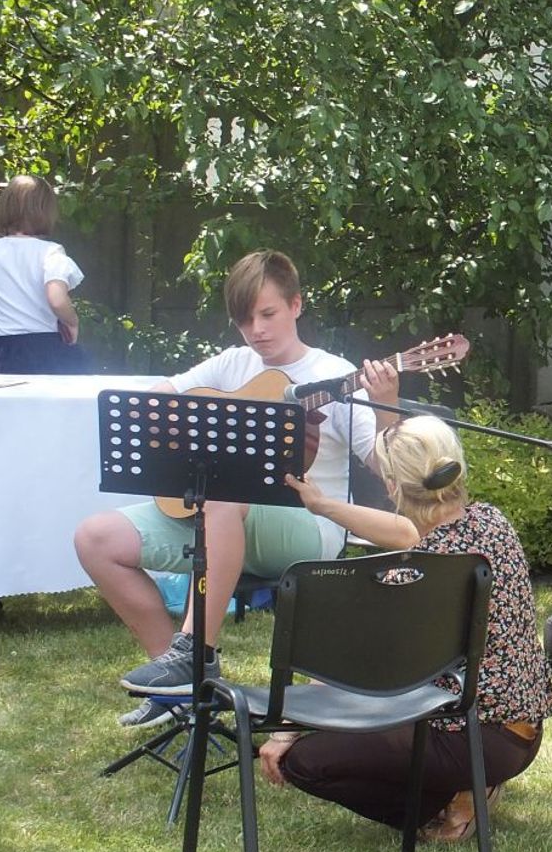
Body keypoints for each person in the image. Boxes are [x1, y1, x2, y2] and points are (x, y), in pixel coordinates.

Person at [73, 249, 400, 729]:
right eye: (244, 320)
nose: (256, 330)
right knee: (95, 538)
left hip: (308, 526)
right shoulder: (233, 363)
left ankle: (194, 651)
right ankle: (181, 686)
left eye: (267, 314)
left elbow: (386, 465)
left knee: (225, 494)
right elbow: (159, 399)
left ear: (296, 305)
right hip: (222, 520)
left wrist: (386, 403)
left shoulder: (334, 372)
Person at [260, 415, 552, 843]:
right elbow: (407, 532)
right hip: (519, 734)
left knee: (304, 761)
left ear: (392, 486)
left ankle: (446, 804)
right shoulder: (490, 523)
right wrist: (323, 506)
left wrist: (286, 730)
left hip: (464, 738)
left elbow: (345, 668)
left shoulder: (413, 577)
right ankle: (470, 783)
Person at [0, 175, 91, 374]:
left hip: (3, 352)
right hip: (45, 351)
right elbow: (57, 299)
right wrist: (72, 322)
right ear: (46, 211)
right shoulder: (51, 252)